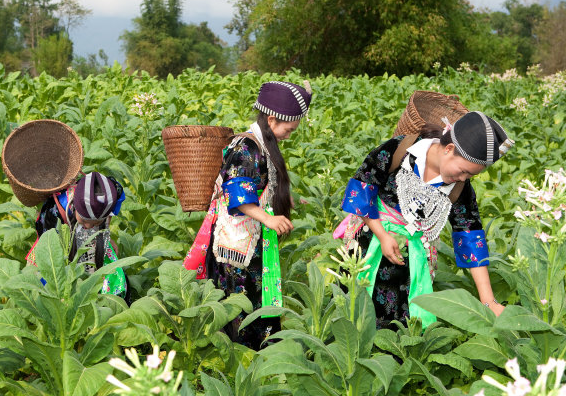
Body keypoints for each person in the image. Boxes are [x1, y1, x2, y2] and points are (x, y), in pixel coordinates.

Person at [336, 111, 514, 329]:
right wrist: (382, 235)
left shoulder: (459, 187)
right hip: (367, 246)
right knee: (352, 312)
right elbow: (362, 187)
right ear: (448, 149)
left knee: (400, 327)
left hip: (409, 265)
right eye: (463, 171)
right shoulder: (400, 150)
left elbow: (469, 235)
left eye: (470, 176)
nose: (463, 179)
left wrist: (489, 301)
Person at [184, 81, 312, 349]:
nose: (289, 134)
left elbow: (260, 186)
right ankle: (239, 357)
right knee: (238, 303)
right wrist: (268, 218)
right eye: (288, 129)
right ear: (272, 118)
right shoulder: (246, 147)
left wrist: (287, 199)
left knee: (255, 300)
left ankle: (257, 354)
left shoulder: (264, 144)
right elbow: (237, 191)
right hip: (236, 247)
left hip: (250, 242)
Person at [26, 172, 129, 302]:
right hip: (59, 243)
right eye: (84, 220)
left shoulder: (112, 192)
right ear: (75, 207)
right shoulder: (55, 210)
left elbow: (110, 213)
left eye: (96, 222)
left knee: (108, 281)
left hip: (93, 240)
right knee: (48, 288)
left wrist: (107, 233)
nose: (88, 226)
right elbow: (47, 247)